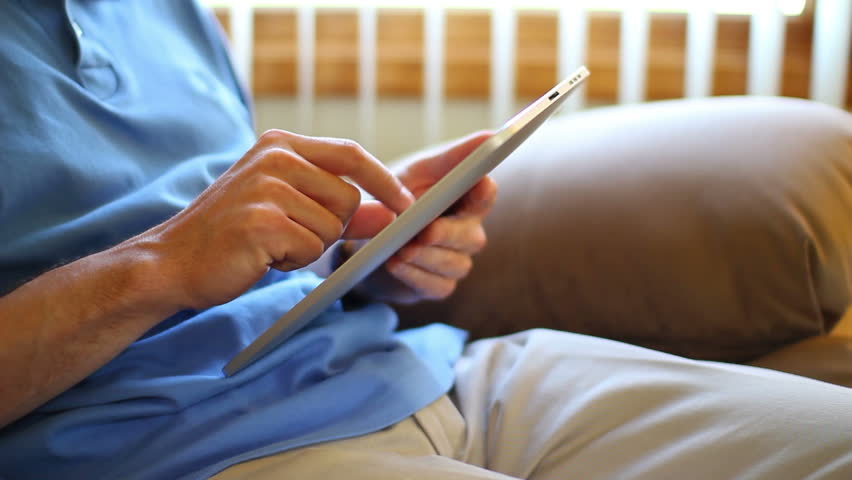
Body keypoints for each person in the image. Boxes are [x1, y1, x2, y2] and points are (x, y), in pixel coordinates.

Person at [0, 2, 850, 479]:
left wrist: (364, 255)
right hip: (187, 453)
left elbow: (224, 243)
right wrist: (157, 266)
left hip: (431, 374)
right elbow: (181, 252)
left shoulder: (168, 14)